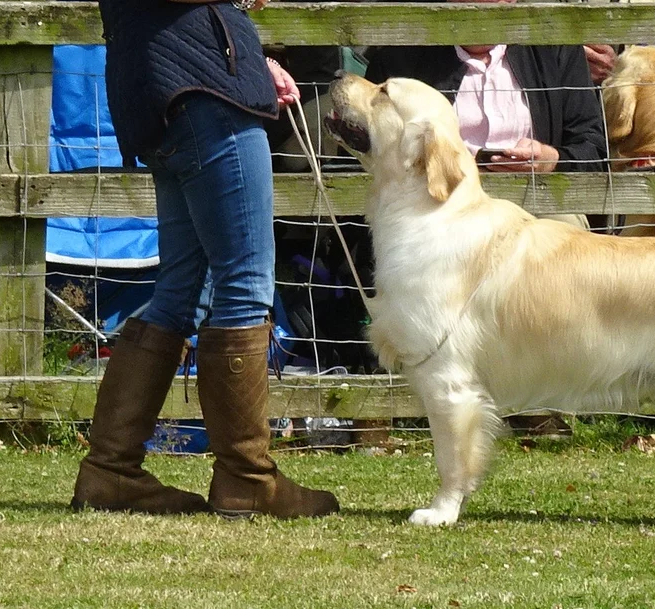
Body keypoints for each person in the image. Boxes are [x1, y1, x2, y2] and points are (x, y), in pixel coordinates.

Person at [71, 0, 339, 518]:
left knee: (182, 292)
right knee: (244, 282)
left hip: (172, 84)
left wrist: (247, 55)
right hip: (201, 91)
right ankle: (246, 478)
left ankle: (110, 471)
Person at [364, 0, 607, 189]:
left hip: (539, 203)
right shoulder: (399, 60)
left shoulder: (555, 48)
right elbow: (373, 152)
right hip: (440, 206)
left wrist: (550, 160)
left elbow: (594, 146)